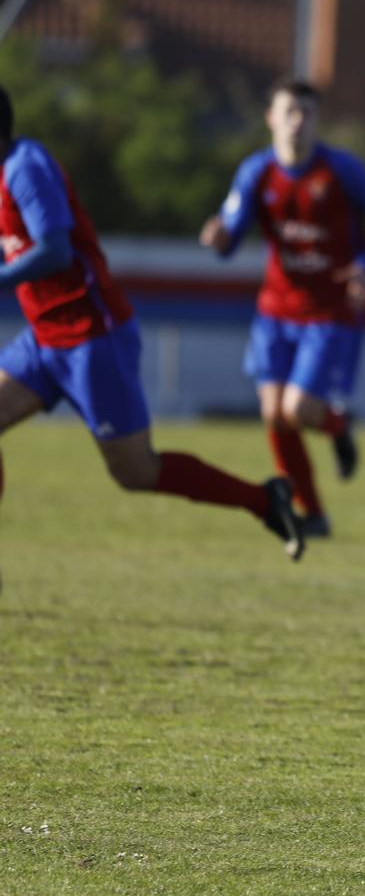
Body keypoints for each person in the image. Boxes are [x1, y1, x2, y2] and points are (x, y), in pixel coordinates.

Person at [0, 85, 305, 579]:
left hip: (92, 339)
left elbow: (55, 251)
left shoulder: (25, 168)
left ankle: (263, 499)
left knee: (136, 471)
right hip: (44, 339)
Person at [200, 79, 365, 539]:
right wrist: (218, 238)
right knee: (273, 414)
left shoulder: (341, 170)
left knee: (298, 407)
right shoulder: (255, 173)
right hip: (275, 310)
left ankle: (337, 427)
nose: (297, 121)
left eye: (306, 113)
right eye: (289, 111)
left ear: (316, 120)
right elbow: (230, 234)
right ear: (271, 118)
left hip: (328, 311)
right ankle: (314, 514)